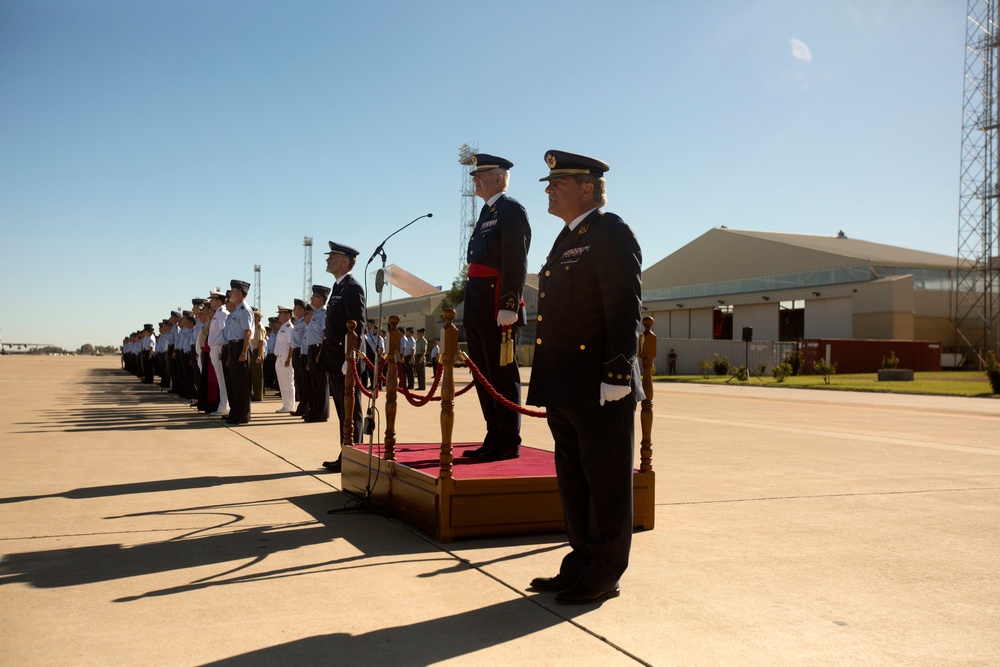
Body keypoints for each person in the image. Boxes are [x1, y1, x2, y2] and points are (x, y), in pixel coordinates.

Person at [526, 150, 642, 605]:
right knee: (574, 480)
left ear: (588, 189)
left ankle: (605, 571)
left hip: (600, 385)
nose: (550, 189)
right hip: (566, 383)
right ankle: (580, 560)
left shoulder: (611, 232)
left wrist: (617, 371)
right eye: (549, 183)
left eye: (559, 182)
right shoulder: (565, 238)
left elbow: (623, 307)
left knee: (606, 482)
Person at [462, 152, 531, 462]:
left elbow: (515, 259)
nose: (475, 180)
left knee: (502, 374)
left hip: (496, 306)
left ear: (499, 178)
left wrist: (509, 303)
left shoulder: (511, 210)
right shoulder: (487, 213)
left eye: (481, 175)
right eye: (475, 175)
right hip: (478, 304)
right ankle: (493, 436)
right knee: (483, 375)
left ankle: (508, 441)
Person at [320, 242, 365, 472]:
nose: (328, 260)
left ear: (345, 261)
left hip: (346, 359)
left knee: (351, 410)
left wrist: (351, 359)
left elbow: (357, 326)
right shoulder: (338, 287)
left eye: (333, 257)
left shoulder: (352, 288)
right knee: (342, 410)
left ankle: (354, 455)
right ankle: (346, 452)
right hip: (335, 358)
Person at [223, 279, 255, 424]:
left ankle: (242, 415)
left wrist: (243, 352)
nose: (230, 293)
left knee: (241, 384)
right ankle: (235, 412)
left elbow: (247, 332)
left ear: (240, 293)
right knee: (234, 383)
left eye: (233, 291)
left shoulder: (244, 310)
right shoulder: (235, 310)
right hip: (233, 347)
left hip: (240, 346)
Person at [304, 285, 331, 423]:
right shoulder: (316, 313)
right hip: (312, 349)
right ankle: (315, 410)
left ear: (320, 299)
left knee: (321, 383)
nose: (311, 298)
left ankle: (322, 412)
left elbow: (325, 335)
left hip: (319, 349)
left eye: (314, 296)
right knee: (314, 383)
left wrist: (321, 353)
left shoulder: (324, 312)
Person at [207, 290, 230, 417]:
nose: (211, 302)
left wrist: (221, 350)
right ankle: (223, 405)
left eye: (213, 300)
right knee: (220, 379)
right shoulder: (218, 314)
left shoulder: (222, 314)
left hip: (218, 349)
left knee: (222, 380)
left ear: (219, 301)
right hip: (214, 348)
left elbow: (223, 333)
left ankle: (224, 406)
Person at [274, 306, 296, 413]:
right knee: (282, 383)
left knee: (288, 382)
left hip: (285, 358)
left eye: (281, 314)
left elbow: (291, 345)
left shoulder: (289, 328)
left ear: (287, 315)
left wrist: (288, 359)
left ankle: (290, 405)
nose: (278, 316)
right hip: (279, 358)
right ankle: (285, 404)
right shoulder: (282, 327)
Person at [250, 309, 266, 401]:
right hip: (253, 351)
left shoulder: (260, 327)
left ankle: (258, 395)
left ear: (257, 318)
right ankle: (255, 393)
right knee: (253, 374)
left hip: (257, 351)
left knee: (257, 375)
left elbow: (261, 342)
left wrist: (259, 356)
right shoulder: (254, 327)